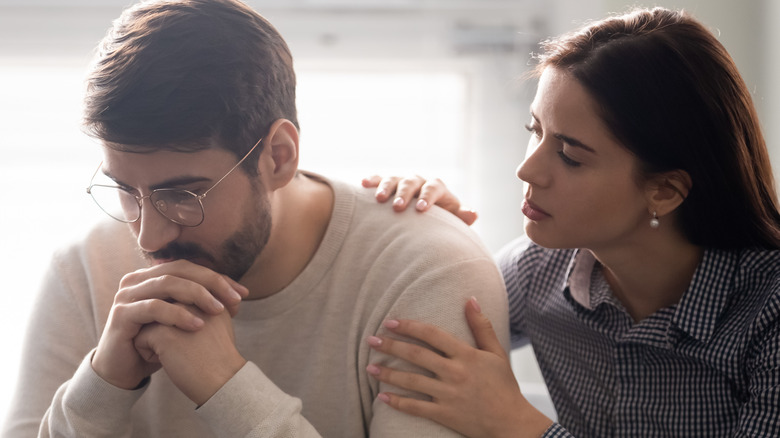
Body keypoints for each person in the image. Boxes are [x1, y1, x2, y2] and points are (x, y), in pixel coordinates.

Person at [0, 0, 510, 436]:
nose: (148, 236)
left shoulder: (429, 272)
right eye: (124, 191)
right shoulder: (83, 268)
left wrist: (226, 387)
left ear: (279, 157)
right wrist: (103, 384)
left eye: (182, 194)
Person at [361, 7, 780, 438]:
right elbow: (426, 315)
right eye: (535, 129)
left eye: (570, 156)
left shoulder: (770, 311)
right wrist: (431, 232)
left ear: (664, 191)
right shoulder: (536, 270)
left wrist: (519, 424)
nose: (527, 171)